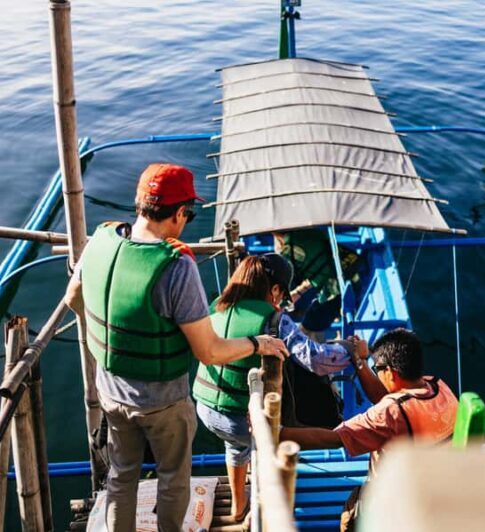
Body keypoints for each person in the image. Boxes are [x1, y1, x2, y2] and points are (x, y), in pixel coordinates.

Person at [64, 163, 289, 532]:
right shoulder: (176, 267)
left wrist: (117, 340)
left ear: (140, 203)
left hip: (110, 391)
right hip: (163, 402)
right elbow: (209, 352)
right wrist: (257, 342)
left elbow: (74, 298)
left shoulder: (100, 241)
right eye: (190, 212)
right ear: (180, 212)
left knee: (122, 476)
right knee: (173, 478)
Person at [192, 253, 354, 522]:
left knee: (235, 447)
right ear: (275, 289)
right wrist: (349, 349)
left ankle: (237, 507)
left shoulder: (215, 307)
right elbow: (318, 360)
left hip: (206, 410)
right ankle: (265, 512)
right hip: (244, 420)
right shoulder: (277, 321)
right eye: (280, 293)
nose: (280, 300)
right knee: (278, 443)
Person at [279, 328, 458, 531]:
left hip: (396, 501)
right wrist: (360, 361)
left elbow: (333, 438)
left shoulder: (390, 413)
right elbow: (391, 395)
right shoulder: (439, 388)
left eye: (377, 368)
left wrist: (278, 432)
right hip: (436, 490)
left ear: (390, 372)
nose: (377, 372)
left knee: (351, 514)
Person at [273, 229, 363, 334]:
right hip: (349, 273)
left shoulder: (289, 250)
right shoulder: (309, 230)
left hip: (340, 287)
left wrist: (298, 292)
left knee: (310, 324)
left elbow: (320, 274)